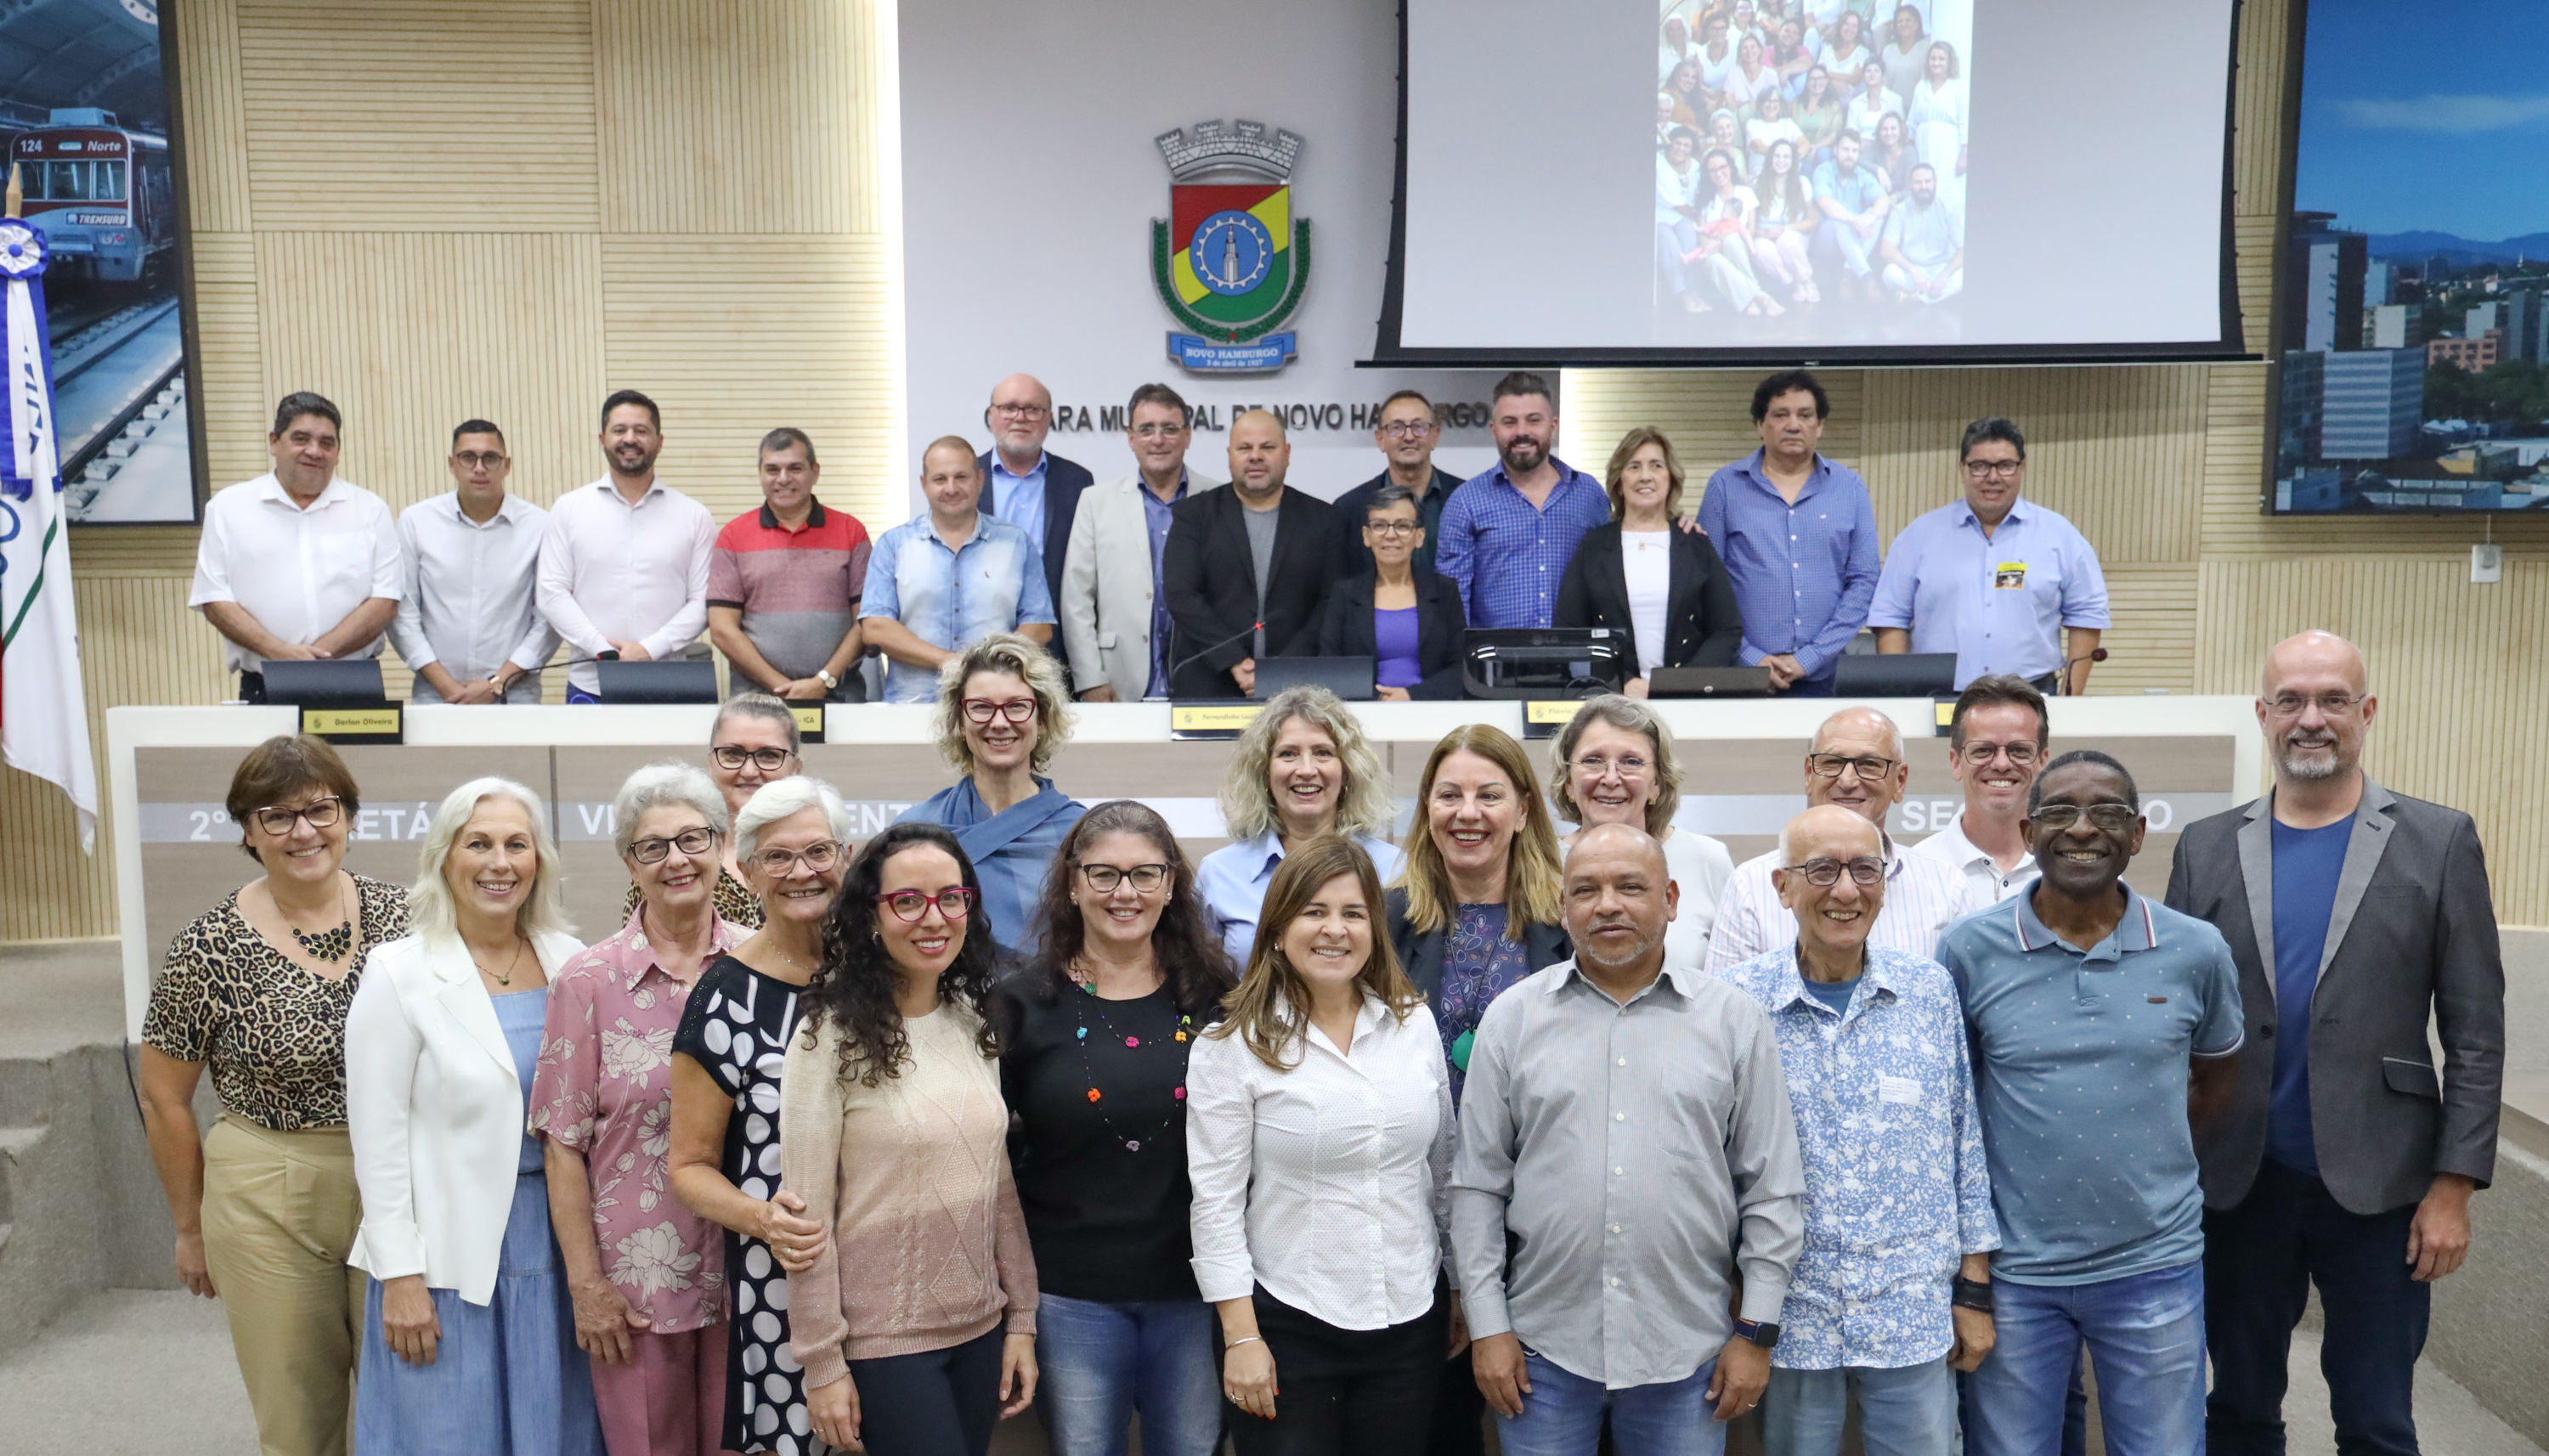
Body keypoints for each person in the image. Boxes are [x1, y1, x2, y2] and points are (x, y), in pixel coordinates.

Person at [2168, 632, 2506, 1456]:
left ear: (2367, 712)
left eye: (2331, 700)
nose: (2310, 718)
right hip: (2238, 1186)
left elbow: (2476, 1032)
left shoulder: (2440, 840)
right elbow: (2174, 1025)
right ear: (2263, 715)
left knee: (2376, 1419)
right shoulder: (2206, 846)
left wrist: (2453, 1186)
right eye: (2290, 700)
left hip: (2384, 1188)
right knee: (2239, 1408)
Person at [1452, 823, 1806, 1456]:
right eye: (1586, 889)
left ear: (1670, 900)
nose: (1607, 903)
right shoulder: (1514, 1017)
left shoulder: (1732, 1019)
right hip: (1540, 1352)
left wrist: (1755, 1331)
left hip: (1690, 1355)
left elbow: (1773, 1189)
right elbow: (1477, 1185)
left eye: (1630, 886)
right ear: (1564, 908)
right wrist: (1487, 1327)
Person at [1937, 751, 2245, 1456]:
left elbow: (2217, 1078)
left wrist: (2148, 1160)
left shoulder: (2196, 950)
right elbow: (1957, 1111)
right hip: (2016, 1276)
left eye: (2107, 813)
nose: (2083, 829)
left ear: (2137, 834)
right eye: (2060, 813)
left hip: (2154, 1266)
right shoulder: (1969, 952)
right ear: (2029, 829)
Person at [137, 735, 410, 1456]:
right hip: (266, 1190)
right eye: (277, 816)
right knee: (299, 1414)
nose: (304, 832)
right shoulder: (206, 946)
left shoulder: (408, 919)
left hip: (399, 1183)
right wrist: (190, 1228)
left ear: (348, 817)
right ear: (249, 833)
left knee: (410, 1397)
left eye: (320, 809)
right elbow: (164, 1098)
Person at [1718, 805, 1996, 1456]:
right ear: (1782, 887)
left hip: (1912, 1308)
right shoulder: (1734, 1004)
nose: (1846, 890)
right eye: (1822, 870)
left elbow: (1964, 1142)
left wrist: (1974, 1291)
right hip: (1790, 1315)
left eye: (1864, 869)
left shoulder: (1929, 990)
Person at [345, 778, 602, 1454]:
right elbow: (377, 1141)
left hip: (561, 1242)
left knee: (562, 1425)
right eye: (478, 844)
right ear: (445, 858)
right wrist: (399, 1274)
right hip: (448, 1255)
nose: (499, 863)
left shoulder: (573, 961)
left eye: (517, 844)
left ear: (538, 860)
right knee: (448, 1430)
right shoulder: (398, 972)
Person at [1186, 837, 1460, 1456]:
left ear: (1375, 930)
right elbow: (1216, 1205)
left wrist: (1460, 1286)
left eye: (1353, 913)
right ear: (1278, 930)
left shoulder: (1412, 1023)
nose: (1334, 930)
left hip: (1410, 1316)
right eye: (1314, 911)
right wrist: (1240, 1338)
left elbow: (1441, 1169)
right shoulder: (1232, 1044)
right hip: (1287, 1322)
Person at [782, 823, 1041, 1456]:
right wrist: (823, 1364)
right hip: (883, 1345)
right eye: (908, 901)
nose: (934, 918)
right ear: (871, 917)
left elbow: (996, 1181)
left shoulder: (971, 1022)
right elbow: (804, 1216)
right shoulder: (827, 1038)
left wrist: (1022, 1320)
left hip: (981, 1331)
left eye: (951, 898)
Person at [992, 800, 1240, 1456]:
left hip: (1194, 1292)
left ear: (1171, 886)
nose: (1124, 893)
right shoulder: (1021, 1003)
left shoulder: (1218, 997)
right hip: (1071, 1296)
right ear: (1072, 884)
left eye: (1144, 875)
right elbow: (987, 1156)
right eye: (1104, 875)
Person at [530, 762, 748, 1456]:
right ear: (629, 861)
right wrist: (587, 1285)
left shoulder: (766, 967)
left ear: (723, 844)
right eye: (653, 847)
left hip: (755, 1271)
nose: (677, 860)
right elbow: (561, 1143)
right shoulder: (587, 982)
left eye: (693, 838)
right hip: (637, 1285)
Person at [667, 775, 856, 1456]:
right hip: (786, 1283)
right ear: (744, 872)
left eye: (818, 852)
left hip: (896, 1276)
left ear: (849, 857)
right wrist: (764, 1220)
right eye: (777, 857)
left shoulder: (887, 974)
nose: (802, 873)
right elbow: (687, 1166)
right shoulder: (724, 995)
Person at [1704, 707, 1987, 973]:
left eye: (1870, 764)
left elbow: (1959, 1014)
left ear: (1900, 781)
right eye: (1832, 763)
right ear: (1808, 774)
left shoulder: (1947, 889)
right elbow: (1723, 1017)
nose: (1848, 780)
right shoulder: (1750, 887)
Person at [1388, 724, 1573, 1106]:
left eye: (1489, 796)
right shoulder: (1384, 920)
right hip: (1417, 1152)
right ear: (1427, 807)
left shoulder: (1568, 917)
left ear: (1522, 811)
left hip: (1534, 1151)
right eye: (1450, 796)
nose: (1468, 812)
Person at [189, 392, 402, 703]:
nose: (314, 451)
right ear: (275, 441)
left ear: (338, 452)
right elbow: (214, 599)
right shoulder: (228, 508)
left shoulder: (370, 510)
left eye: (326, 442)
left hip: (352, 686)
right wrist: (280, 653)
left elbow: (385, 601)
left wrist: (313, 659)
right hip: (265, 682)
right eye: (301, 438)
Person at [1872, 420, 2108, 695]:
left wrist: (2071, 697)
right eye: (1980, 466)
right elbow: (1890, 617)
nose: (1993, 477)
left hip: (2030, 695)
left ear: (2022, 467)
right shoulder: (1920, 535)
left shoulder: (2060, 535)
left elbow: (2088, 615)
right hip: (1937, 696)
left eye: (2005, 466)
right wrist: (1901, 695)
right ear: (1962, 468)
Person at [895, 632, 1088, 957]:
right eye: (982, 707)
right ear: (959, 721)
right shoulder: (912, 830)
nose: (1000, 722)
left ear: (1041, 719)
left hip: (1050, 1004)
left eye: (1017, 706)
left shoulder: (1081, 833)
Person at [1695, 371, 1880, 695]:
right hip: (1741, 675)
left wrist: (1810, 658)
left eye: (1805, 415)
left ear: (1820, 426)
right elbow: (1705, 585)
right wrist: (1751, 657)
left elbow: (1864, 580)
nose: (1793, 425)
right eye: (1781, 414)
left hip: (1828, 676)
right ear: (1760, 425)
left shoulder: (1849, 487)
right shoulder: (1724, 487)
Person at [1198, 685, 1406, 964]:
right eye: (1288, 754)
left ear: (1347, 771)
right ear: (1264, 772)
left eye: (1323, 753)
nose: (1307, 770)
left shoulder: (1395, 870)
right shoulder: (1218, 873)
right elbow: (1199, 987)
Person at [536, 389, 715, 703]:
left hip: (671, 682)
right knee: (589, 755)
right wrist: (602, 649)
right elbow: (551, 592)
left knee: (673, 756)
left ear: (659, 441)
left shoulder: (694, 516)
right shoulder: (569, 509)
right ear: (602, 438)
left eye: (641, 431)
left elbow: (703, 601)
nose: (629, 439)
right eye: (619, 430)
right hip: (591, 682)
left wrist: (650, 649)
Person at [861, 436, 1058, 704]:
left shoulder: (1016, 543)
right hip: (912, 706)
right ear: (924, 484)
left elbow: (1039, 627)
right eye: (940, 479)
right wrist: (953, 663)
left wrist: (987, 668)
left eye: (961, 477)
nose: (951, 488)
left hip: (996, 706)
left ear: (980, 479)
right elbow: (876, 629)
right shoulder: (893, 545)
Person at [1061, 382, 1225, 703]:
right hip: (1116, 681)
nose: (1158, 439)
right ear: (1131, 437)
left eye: (1170, 428)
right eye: (1146, 429)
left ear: (1188, 435)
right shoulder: (1096, 501)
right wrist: (1089, 678)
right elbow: (1076, 599)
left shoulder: (1219, 499)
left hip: (1204, 679)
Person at [1158, 409, 1337, 698]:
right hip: (1210, 686)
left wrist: (1280, 670)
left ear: (1287, 453)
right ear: (1230, 454)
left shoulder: (1324, 519)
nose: (1256, 456)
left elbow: (1330, 603)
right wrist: (1234, 661)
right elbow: (1182, 595)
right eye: (1245, 448)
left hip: (1299, 689)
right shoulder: (1194, 515)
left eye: (1267, 447)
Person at [1549, 696, 1735, 973]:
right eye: (1593, 760)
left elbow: (1731, 982)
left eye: (1631, 762)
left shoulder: (1707, 859)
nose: (1611, 778)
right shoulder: (1542, 862)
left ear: (1657, 784)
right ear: (1568, 783)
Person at [1555, 427, 1744, 694]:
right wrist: (1621, 681)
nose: (1645, 476)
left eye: (1656, 466)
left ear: (1670, 479)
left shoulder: (1695, 544)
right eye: (1634, 466)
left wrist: (1680, 686)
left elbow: (1726, 630)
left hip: (1688, 701)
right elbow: (1570, 632)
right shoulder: (1593, 547)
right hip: (1612, 700)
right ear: (1619, 480)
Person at [389, 419, 557, 704]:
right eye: (468, 458)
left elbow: (549, 619)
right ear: (452, 464)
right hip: (436, 694)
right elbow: (402, 613)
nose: (479, 468)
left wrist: (496, 683)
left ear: (507, 465)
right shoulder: (416, 522)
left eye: (490, 458)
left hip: (514, 695)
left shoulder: (540, 527)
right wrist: (448, 688)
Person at [1434, 373, 1612, 631]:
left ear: (1553, 425)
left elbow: (1615, 573)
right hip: (1496, 664)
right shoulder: (1466, 502)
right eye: (1510, 422)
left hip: (1577, 661)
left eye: (1533, 420)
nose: (1522, 432)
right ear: (1493, 430)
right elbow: (1453, 601)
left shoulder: (1589, 494)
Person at [706, 427, 873, 703]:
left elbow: (867, 622)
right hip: (757, 701)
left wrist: (823, 681)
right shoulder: (734, 536)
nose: (783, 479)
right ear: (760, 474)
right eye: (772, 469)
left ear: (815, 472)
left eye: (795, 468)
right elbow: (722, 630)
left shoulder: (851, 532)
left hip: (840, 696)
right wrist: (782, 687)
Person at [624, 692, 797, 928]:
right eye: (733, 754)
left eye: (768, 755)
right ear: (711, 762)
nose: (749, 771)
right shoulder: (668, 861)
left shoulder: (821, 861)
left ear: (796, 766)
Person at [1316, 485, 1470, 700]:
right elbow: (1330, 668)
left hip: (1431, 711)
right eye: (1379, 526)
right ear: (1366, 536)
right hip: (1362, 715)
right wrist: (1379, 699)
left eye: (1402, 526)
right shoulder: (1345, 594)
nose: (1390, 535)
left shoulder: (1444, 591)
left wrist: (1411, 696)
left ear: (1419, 536)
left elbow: (1461, 668)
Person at [1905, 674, 2048, 903]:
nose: (2002, 764)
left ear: (2042, 762)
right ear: (1956, 763)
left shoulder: (2076, 870)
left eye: (2020, 750)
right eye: (1983, 750)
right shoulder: (1912, 873)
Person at [981, 372, 1096, 633]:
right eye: (1009, 408)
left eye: (1033, 409)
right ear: (991, 417)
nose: (1020, 417)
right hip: (982, 634)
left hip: (1056, 634)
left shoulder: (1077, 481)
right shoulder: (966, 479)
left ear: (1049, 419)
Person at [1331, 389, 1465, 581]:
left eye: (1419, 427)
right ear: (1380, 439)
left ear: (1435, 437)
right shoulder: (1349, 509)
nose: (1409, 437)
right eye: (1396, 428)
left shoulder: (1466, 499)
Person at [1811, 129, 1893, 302]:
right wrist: (1853, 220)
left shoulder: (1863, 175)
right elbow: (1825, 202)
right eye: (1845, 150)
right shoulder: (1823, 171)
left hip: (1853, 239)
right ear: (1835, 150)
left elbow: (1883, 199)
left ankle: (1848, 274)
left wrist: (1870, 217)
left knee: (1877, 217)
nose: (1850, 155)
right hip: (1826, 240)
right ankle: (1867, 279)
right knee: (1840, 220)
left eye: (1854, 151)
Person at [1878, 164, 1962, 304]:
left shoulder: (1948, 210)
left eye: (1928, 182)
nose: (1924, 187)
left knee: (1964, 276)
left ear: (1935, 183)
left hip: (1939, 270)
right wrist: (1913, 270)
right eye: (1918, 182)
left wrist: (1944, 275)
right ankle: (1930, 299)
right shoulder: (1900, 210)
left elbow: (1965, 249)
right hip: (1911, 271)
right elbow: (1886, 250)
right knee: (1889, 272)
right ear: (1911, 185)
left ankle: (1915, 298)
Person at [1749, 139, 1820, 303]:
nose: (1781, 161)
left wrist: (1787, 228)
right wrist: (1765, 233)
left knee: (1786, 240)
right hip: (1764, 236)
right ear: (1770, 159)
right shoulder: (1757, 184)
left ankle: (1807, 281)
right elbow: (1749, 226)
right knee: (1760, 249)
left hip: (1793, 237)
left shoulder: (1802, 184)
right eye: (1777, 156)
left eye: (1786, 157)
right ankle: (1795, 284)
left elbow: (1814, 221)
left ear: (1793, 161)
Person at [1905, 40, 1967, 208]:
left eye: (1941, 59)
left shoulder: (1957, 87)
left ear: (1949, 62)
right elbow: (1912, 120)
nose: (1936, 63)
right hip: (1923, 143)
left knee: (1947, 189)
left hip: (1948, 143)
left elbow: (1964, 121)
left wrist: (1964, 153)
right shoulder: (1921, 86)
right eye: (1933, 59)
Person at [1841, 59, 1903, 155]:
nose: (1872, 74)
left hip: (1886, 148)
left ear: (1882, 74)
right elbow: (1850, 132)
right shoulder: (1855, 103)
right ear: (1864, 75)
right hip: (1861, 149)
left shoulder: (1895, 100)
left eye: (1876, 71)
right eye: (1868, 71)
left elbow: (1900, 131)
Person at [1744, 86, 1806, 181]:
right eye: (1767, 101)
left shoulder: (1788, 123)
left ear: (1780, 104)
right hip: (1762, 175)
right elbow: (1758, 146)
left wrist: (1793, 158)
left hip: (1788, 175)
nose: (1771, 105)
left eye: (1775, 101)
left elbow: (1804, 143)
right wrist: (1784, 158)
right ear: (1760, 104)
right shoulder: (1753, 124)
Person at [1876, 4, 1930, 110]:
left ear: (1917, 24)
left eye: (1908, 20)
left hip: (1917, 108)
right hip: (1892, 108)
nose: (1903, 24)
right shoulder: (1888, 50)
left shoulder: (1926, 48)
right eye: (1900, 21)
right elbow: (1884, 82)